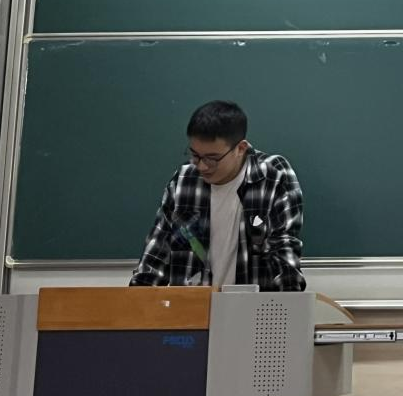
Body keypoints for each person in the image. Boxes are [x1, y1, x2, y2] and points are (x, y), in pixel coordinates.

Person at [130, 100, 306, 291]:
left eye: (212, 158)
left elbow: (284, 250)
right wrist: (136, 300)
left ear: (240, 149)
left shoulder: (272, 176)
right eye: (195, 155)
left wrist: (288, 302)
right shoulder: (184, 180)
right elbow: (156, 252)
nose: (202, 166)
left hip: (254, 306)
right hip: (192, 305)